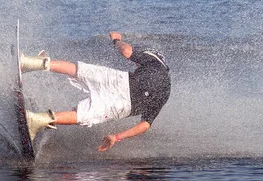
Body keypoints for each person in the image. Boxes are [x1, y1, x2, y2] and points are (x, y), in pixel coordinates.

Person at [21, 32, 171, 152]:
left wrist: (117, 40)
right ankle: (37, 120)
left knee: (79, 71)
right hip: (123, 107)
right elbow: (145, 125)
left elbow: (126, 51)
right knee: (83, 115)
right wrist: (116, 137)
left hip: (122, 82)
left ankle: (31, 63)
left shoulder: (154, 60)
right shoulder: (165, 93)